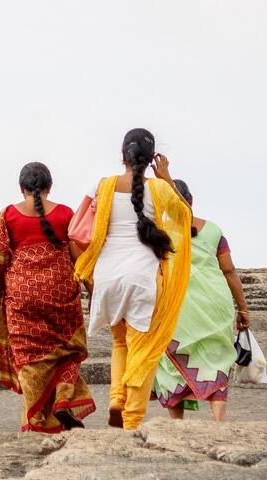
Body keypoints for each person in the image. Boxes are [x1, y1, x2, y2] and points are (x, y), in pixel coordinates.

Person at [68, 128, 193, 430]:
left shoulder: (103, 185)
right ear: (151, 159)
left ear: (122, 154)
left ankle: (116, 399)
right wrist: (166, 178)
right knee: (143, 349)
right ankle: (132, 419)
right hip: (142, 277)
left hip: (107, 277)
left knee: (119, 342)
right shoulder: (159, 189)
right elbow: (185, 217)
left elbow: (78, 226)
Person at [0, 162, 96, 433]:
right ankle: (63, 400)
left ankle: (36, 420)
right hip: (60, 294)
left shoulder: (7, 216)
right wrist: (92, 290)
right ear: (49, 186)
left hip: (23, 297)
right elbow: (79, 256)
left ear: (21, 188)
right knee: (68, 351)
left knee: (29, 360)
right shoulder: (65, 213)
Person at [153, 179, 252, 421]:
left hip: (176, 306)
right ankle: (219, 422)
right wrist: (243, 309)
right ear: (191, 201)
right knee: (216, 359)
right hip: (215, 304)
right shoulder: (213, 230)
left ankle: (177, 424)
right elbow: (229, 271)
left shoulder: (158, 232)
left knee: (170, 364)